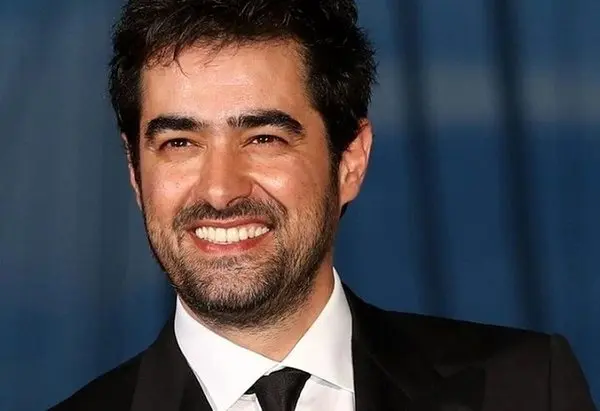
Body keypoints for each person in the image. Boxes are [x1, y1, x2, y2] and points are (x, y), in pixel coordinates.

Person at [50, 0, 596, 410]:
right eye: (179, 144)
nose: (219, 190)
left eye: (264, 138)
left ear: (349, 160)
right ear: (135, 172)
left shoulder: (528, 388)